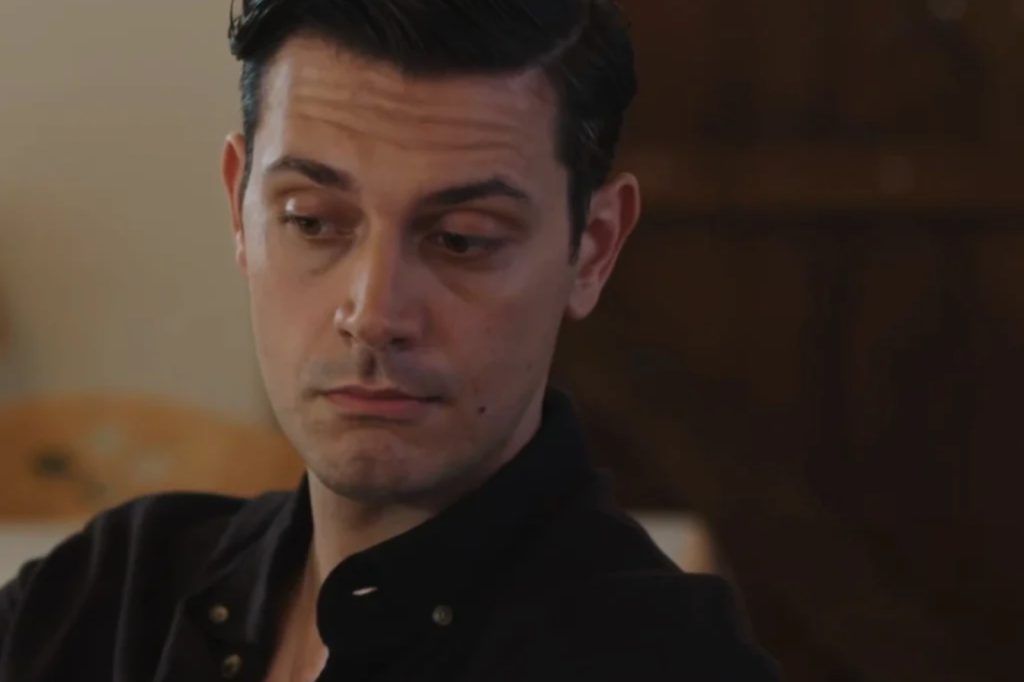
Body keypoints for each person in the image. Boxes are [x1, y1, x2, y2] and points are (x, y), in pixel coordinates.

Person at [0, 1, 778, 680]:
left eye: (462, 238)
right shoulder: (109, 594)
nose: (373, 313)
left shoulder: (661, 660)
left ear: (594, 248)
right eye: (311, 221)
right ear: (240, 208)